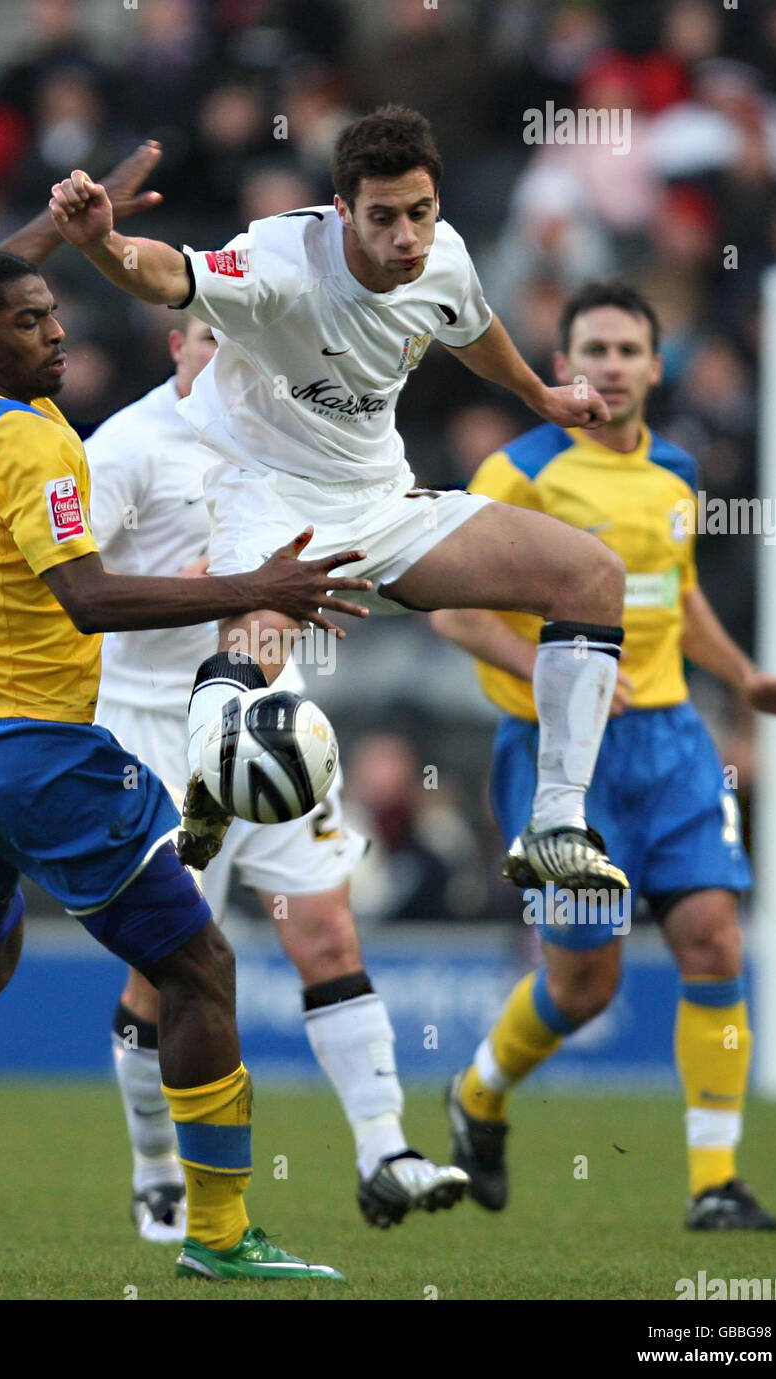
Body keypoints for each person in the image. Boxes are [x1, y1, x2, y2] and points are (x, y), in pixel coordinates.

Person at [0, 163, 372, 1283]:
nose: (59, 332)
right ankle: (223, 1233)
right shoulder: (37, 446)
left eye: (53, 314)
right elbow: (87, 598)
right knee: (199, 970)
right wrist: (252, 590)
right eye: (31, 323)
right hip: (39, 752)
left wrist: (61, 225)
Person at [47, 106, 631, 896]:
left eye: (419, 214)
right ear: (342, 209)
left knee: (592, 575)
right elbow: (169, 272)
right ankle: (217, 773)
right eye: (383, 218)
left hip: (382, 498)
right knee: (252, 672)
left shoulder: (442, 255)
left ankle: (556, 824)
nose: (406, 238)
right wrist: (102, 246)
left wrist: (540, 395)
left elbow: (474, 326)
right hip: (276, 505)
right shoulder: (279, 261)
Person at [433, 280, 776, 1230]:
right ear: (564, 367)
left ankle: (714, 1183)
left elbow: (674, 596)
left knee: (713, 938)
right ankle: (478, 1093)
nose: (610, 365)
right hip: (563, 755)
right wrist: (563, 679)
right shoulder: (517, 471)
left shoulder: (675, 471)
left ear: (655, 365)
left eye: (627, 350)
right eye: (593, 349)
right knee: (584, 979)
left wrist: (745, 677)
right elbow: (453, 608)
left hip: (674, 742)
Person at [81, 310, 467, 1238]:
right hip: (154, 731)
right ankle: (156, 1168)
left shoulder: (292, 427)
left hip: (270, 714)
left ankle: (386, 1152)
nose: (226, 357)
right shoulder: (123, 450)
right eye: (209, 340)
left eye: (241, 343)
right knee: (168, 968)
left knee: (329, 928)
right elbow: (69, 599)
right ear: (175, 346)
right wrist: (211, 584)